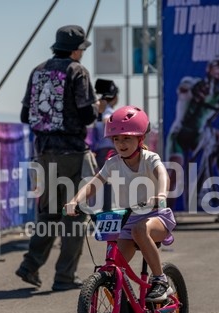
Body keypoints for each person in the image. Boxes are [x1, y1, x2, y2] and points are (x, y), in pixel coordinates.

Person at [16, 25, 106, 291]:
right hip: (72, 153)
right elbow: (87, 116)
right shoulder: (78, 71)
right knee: (76, 215)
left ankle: (30, 266)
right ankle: (65, 276)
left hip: (44, 154)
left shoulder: (38, 71)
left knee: (49, 214)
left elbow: (25, 115)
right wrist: (99, 107)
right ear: (77, 50)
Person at [65, 106, 177, 302]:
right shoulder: (113, 163)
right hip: (127, 221)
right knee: (113, 268)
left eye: (127, 138)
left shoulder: (149, 158)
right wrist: (75, 201)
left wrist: (160, 194)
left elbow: (162, 175)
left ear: (140, 139)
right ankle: (125, 310)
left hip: (156, 216)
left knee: (140, 230)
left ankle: (161, 280)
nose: (121, 143)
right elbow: (93, 184)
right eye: (116, 139)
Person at [166, 53, 219, 209]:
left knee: (211, 143)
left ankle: (205, 193)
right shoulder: (190, 81)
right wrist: (194, 92)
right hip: (179, 133)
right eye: (218, 65)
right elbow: (184, 90)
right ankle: (166, 213)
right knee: (174, 174)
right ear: (209, 67)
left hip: (198, 136)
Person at [91, 78, 119, 210]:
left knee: (102, 180)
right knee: (107, 181)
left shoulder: (98, 110)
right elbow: (107, 121)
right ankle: (106, 209)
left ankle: (104, 208)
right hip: (108, 150)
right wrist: (116, 139)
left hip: (99, 149)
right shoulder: (108, 110)